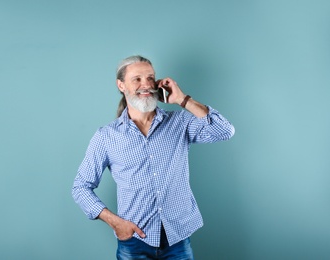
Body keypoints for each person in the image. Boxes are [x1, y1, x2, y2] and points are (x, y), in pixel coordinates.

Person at [72, 55, 235, 259]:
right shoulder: (106, 136)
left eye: (150, 78)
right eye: (137, 79)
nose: (146, 85)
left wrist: (182, 100)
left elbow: (224, 131)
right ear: (121, 85)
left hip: (178, 240)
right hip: (134, 243)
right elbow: (80, 187)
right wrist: (116, 223)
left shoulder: (180, 122)